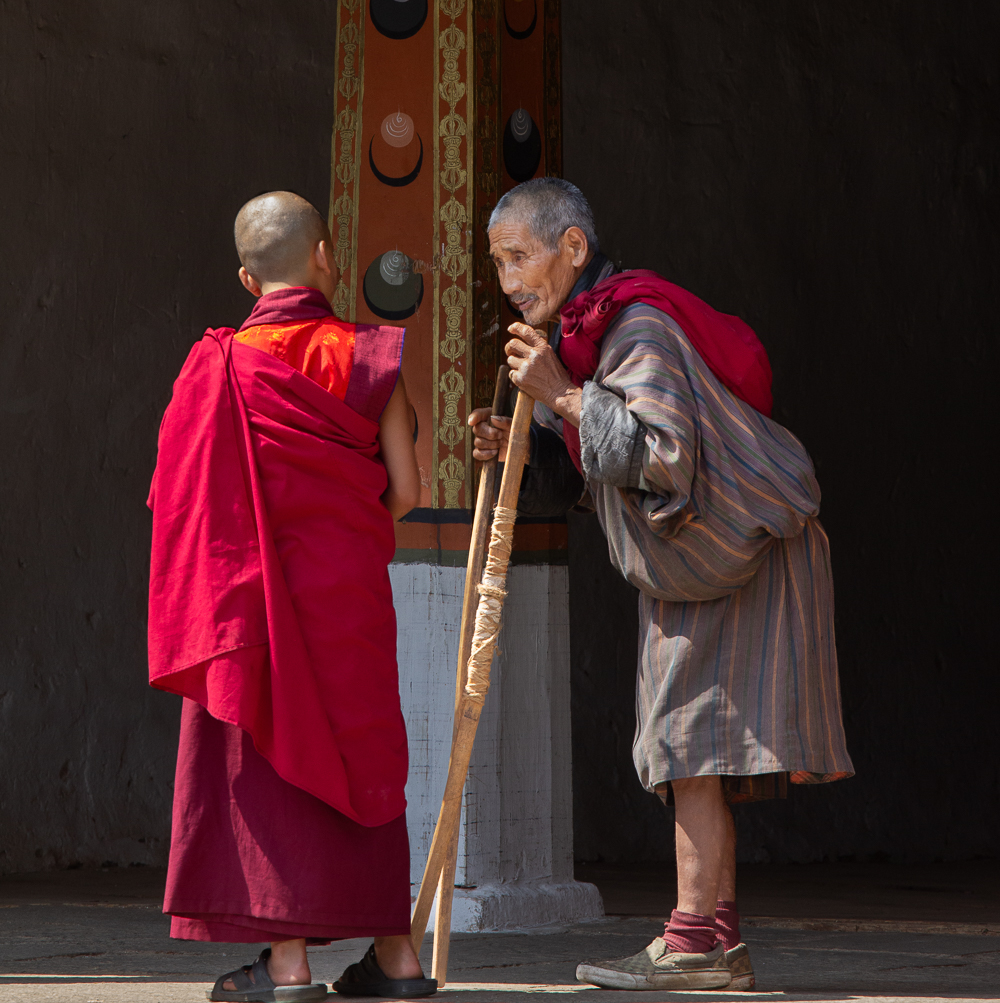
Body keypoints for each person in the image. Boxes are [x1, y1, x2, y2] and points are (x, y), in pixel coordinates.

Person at [470, 177, 853, 993]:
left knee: (688, 746)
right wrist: (520, 442)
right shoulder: (580, 343)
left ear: (573, 247)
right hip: (696, 566)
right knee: (691, 752)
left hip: (731, 551)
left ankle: (693, 944)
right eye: (497, 262)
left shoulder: (633, 327)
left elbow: (661, 457)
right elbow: (576, 482)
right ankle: (713, 942)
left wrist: (563, 397)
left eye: (518, 256)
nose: (507, 280)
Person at [147, 191, 437, 1003]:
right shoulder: (371, 355)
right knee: (367, 758)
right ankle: (399, 958)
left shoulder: (217, 366)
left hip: (253, 607)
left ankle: (288, 965)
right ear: (326, 256)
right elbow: (407, 490)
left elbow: (184, 505)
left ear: (246, 277)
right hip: (347, 599)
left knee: (275, 764)